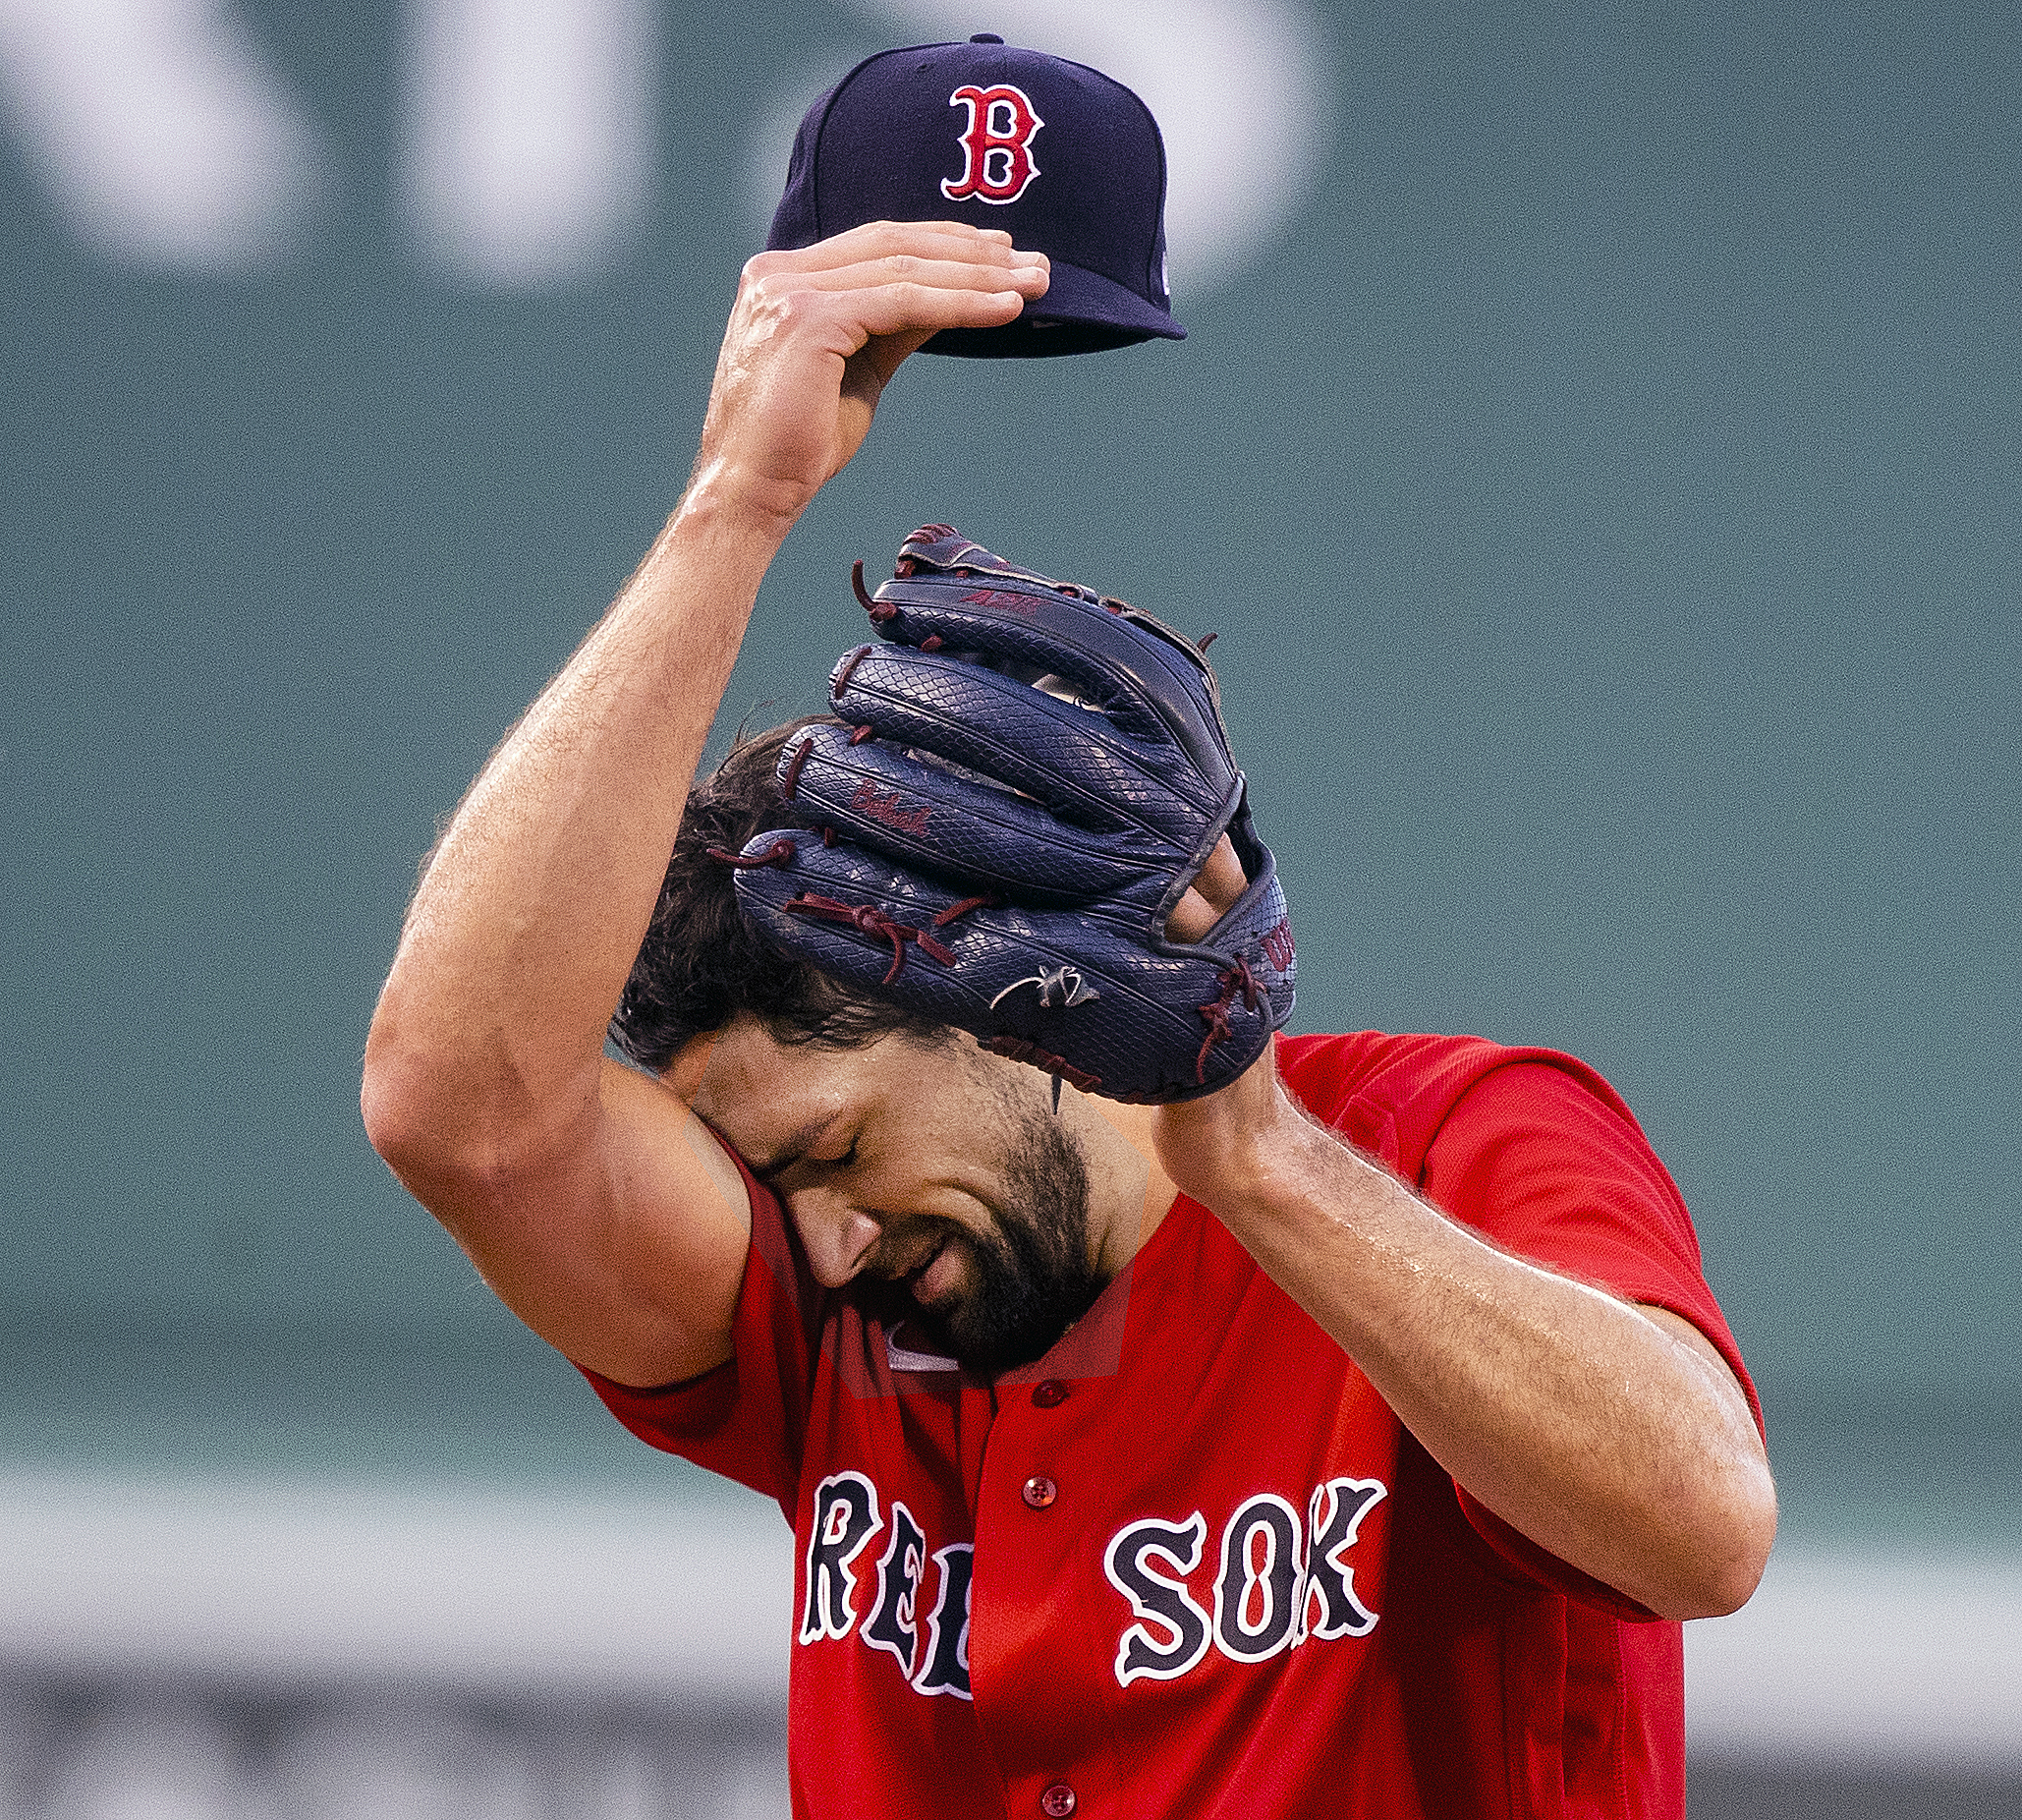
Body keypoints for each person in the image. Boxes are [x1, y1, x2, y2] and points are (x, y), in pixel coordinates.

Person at [362, 221, 1776, 1819]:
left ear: (993, 1005)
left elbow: (1699, 1528)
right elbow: (461, 1116)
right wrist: (736, 508)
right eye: (782, 1187)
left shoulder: (1450, 1131)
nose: (822, 1243)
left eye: (832, 1151)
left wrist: (1256, 1163)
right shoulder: (846, 1314)